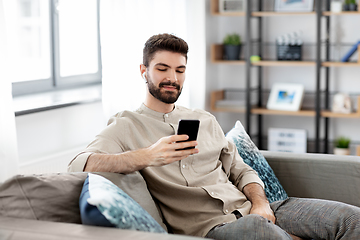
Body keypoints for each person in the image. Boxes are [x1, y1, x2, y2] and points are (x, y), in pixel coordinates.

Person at [68, 33, 360, 240]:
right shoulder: (125, 125)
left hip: (261, 210)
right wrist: (148, 156)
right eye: (162, 69)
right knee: (261, 232)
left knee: (351, 219)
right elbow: (77, 164)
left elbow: (241, 169)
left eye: (180, 70)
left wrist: (260, 203)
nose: (173, 77)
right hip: (212, 226)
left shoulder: (203, 119)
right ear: (144, 71)